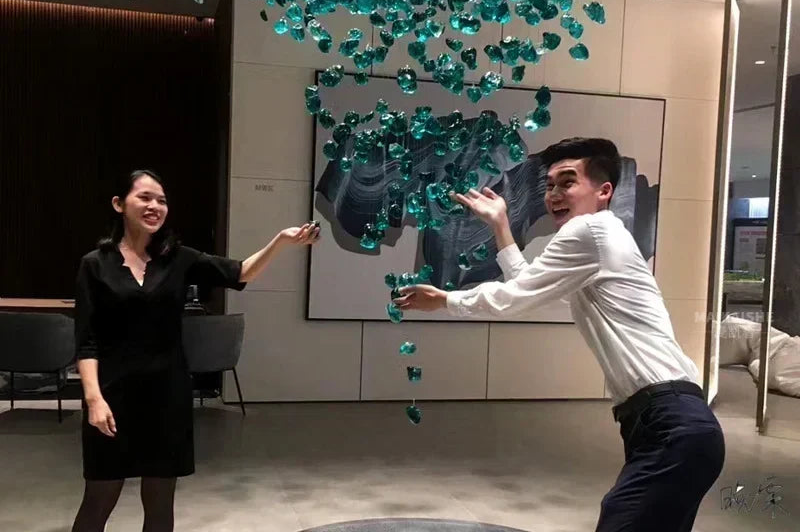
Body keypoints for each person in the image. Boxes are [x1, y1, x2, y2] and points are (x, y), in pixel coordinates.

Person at [395, 137, 725, 532]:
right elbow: (531, 289)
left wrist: (446, 300)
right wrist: (501, 226)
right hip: (676, 423)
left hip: (670, 422)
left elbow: (516, 297)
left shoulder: (590, 230)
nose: (553, 194)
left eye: (567, 182)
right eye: (549, 185)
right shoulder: (604, 241)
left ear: (604, 191)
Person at [71, 169, 319, 532]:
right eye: (145, 197)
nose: (155, 206)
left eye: (161, 200)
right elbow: (87, 340)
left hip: (166, 396)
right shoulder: (94, 264)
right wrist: (94, 399)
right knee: (99, 499)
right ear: (119, 204)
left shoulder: (178, 258)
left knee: (160, 503)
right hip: (111, 396)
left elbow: (240, 272)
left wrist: (280, 241)